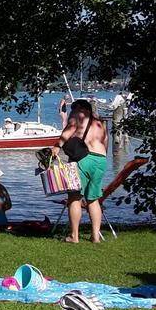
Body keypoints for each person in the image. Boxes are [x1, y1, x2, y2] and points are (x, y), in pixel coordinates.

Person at [52, 99, 108, 243]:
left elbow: (69, 130)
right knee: (93, 199)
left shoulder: (78, 114)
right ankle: (95, 236)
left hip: (84, 159)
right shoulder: (100, 122)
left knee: (74, 198)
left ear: (78, 108)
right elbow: (105, 143)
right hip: (101, 160)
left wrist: (56, 148)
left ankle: (74, 236)